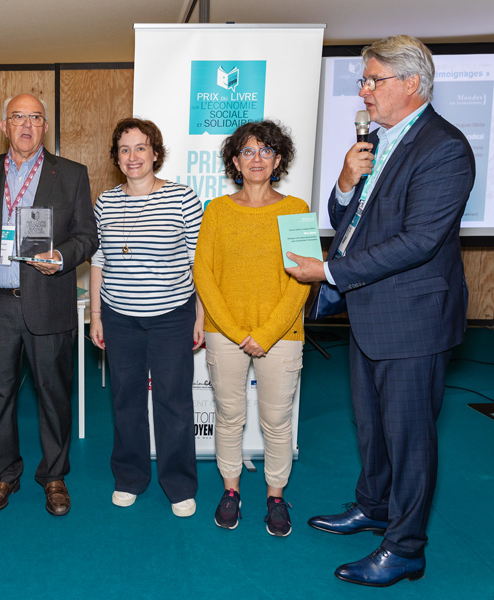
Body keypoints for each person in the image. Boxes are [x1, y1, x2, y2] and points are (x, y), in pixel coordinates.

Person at [286, 36, 475, 587]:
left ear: (411, 84)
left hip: (414, 318)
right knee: (371, 425)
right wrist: (345, 183)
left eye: (373, 80)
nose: (363, 91)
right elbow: (355, 218)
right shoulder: (381, 140)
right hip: (370, 310)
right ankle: (374, 506)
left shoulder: (444, 147)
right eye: (363, 81)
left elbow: (419, 240)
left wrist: (328, 273)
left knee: (410, 436)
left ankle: (406, 547)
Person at [0, 93, 97, 516]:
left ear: (44, 126)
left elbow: (87, 236)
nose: (26, 125)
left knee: (54, 394)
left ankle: (54, 476)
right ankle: (5, 474)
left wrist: (62, 256)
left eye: (35, 117)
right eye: (18, 117)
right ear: (5, 125)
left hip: (47, 300)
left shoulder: (71, 174)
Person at [193, 120, 309, 536]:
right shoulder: (217, 211)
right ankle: (231, 491)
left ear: (278, 160)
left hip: (281, 336)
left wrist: (265, 334)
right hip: (225, 335)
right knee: (228, 416)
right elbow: (203, 273)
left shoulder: (296, 210)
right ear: (234, 161)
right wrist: (232, 329)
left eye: (265, 151)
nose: (256, 159)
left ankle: (276, 497)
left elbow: (304, 279)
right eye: (247, 151)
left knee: (277, 422)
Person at [89, 118, 204, 517]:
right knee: (126, 401)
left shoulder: (183, 198)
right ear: (116, 157)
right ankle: (130, 478)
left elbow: (197, 262)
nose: (132, 156)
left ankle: (179, 484)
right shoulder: (105, 201)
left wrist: (200, 315)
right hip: (120, 317)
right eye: (124, 149)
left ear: (155, 152)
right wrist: (96, 315)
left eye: (141, 148)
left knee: (174, 401)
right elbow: (99, 260)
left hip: (172, 316)